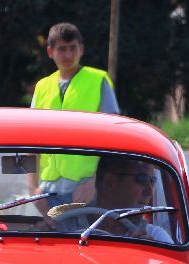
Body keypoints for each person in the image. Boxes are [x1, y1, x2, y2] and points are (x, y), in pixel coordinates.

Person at [29, 22, 120, 209]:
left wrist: (93, 181)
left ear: (82, 49)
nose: (68, 55)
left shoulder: (98, 80)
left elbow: (113, 137)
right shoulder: (42, 87)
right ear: (50, 52)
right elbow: (30, 142)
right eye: (62, 49)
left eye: (73, 48)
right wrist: (32, 188)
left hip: (86, 190)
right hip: (46, 191)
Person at [49, 157, 174, 243]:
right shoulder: (63, 227)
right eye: (142, 180)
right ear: (110, 182)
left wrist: (149, 256)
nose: (149, 192)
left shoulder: (155, 237)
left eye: (153, 181)